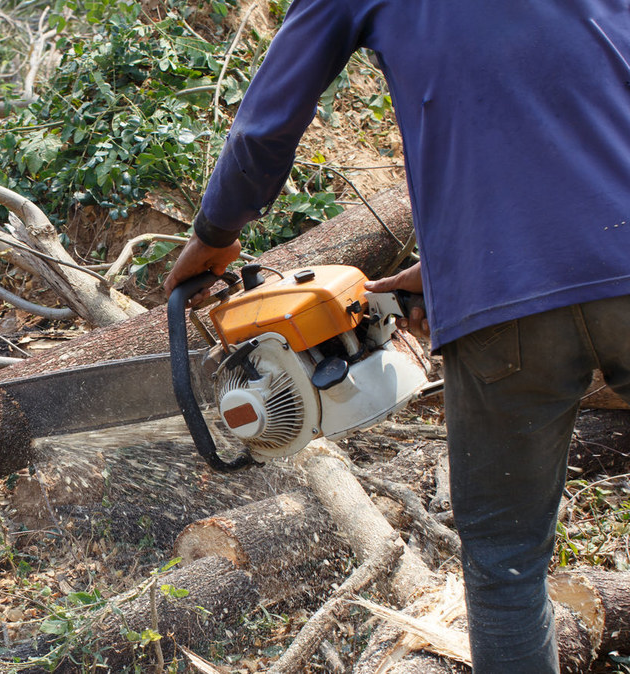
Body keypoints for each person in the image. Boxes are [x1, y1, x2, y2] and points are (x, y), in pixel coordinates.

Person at [164, 1, 630, 672]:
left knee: (504, 567)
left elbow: (267, 127)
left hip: (506, 314)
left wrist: (213, 236)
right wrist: (444, 272)